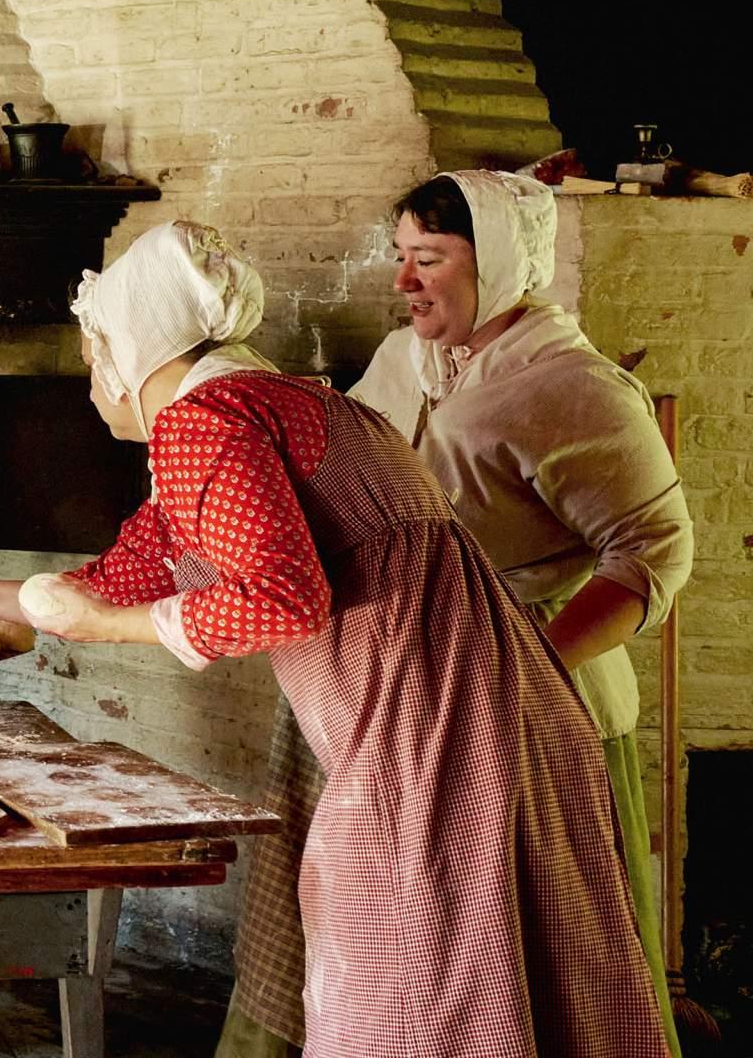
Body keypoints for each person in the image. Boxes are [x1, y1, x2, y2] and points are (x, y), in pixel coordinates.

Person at [0, 220, 668, 1057]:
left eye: (94, 352)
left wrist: (105, 627)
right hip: (507, 718)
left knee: (406, 1002)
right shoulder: (279, 400)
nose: (91, 378)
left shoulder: (203, 421)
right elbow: (138, 564)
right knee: (531, 991)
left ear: (132, 351)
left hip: (429, 745)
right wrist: (1, 602)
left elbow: (282, 602)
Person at [216, 170, 693, 1058]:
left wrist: (525, 672)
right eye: (401, 256)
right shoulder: (401, 363)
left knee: (532, 969)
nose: (404, 281)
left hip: (532, 714)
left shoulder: (574, 387)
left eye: (429, 259)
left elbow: (653, 554)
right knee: (366, 947)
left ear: (499, 265)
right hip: (387, 703)